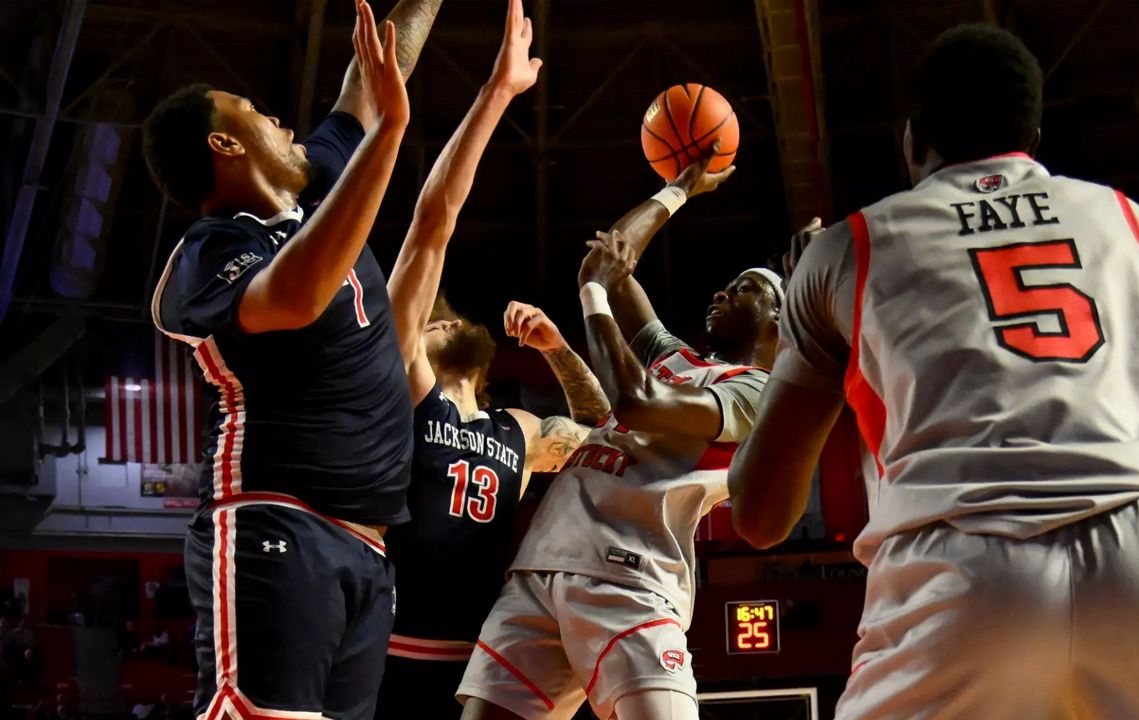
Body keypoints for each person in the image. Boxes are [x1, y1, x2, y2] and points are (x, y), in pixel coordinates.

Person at [727, 23, 1139, 720]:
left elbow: (761, 517)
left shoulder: (846, 247)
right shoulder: (1126, 219)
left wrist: (788, 348)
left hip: (960, 575)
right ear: (1034, 141)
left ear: (911, 138)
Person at [143, 0, 443, 717]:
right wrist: (390, 136)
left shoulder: (316, 184)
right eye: (253, 110)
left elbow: (373, 77)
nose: (279, 118)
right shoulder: (211, 248)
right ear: (225, 144)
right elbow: (298, 295)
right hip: (276, 524)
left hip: (364, 546)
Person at [457, 155, 773, 720]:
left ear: (780, 321)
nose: (723, 292)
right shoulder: (676, 357)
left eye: (745, 289)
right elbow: (610, 263)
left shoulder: (756, 392)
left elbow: (637, 402)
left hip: (629, 577)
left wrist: (595, 295)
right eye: (726, 285)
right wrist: (677, 190)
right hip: (540, 568)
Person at [369, 0, 606, 715]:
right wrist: (496, 94)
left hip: (486, 656)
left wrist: (561, 348)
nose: (440, 321)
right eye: (430, 321)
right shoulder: (412, 391)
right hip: (392, 645)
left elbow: (603, 433)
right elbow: (430, 230)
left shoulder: (520, 432)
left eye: (445, 319)